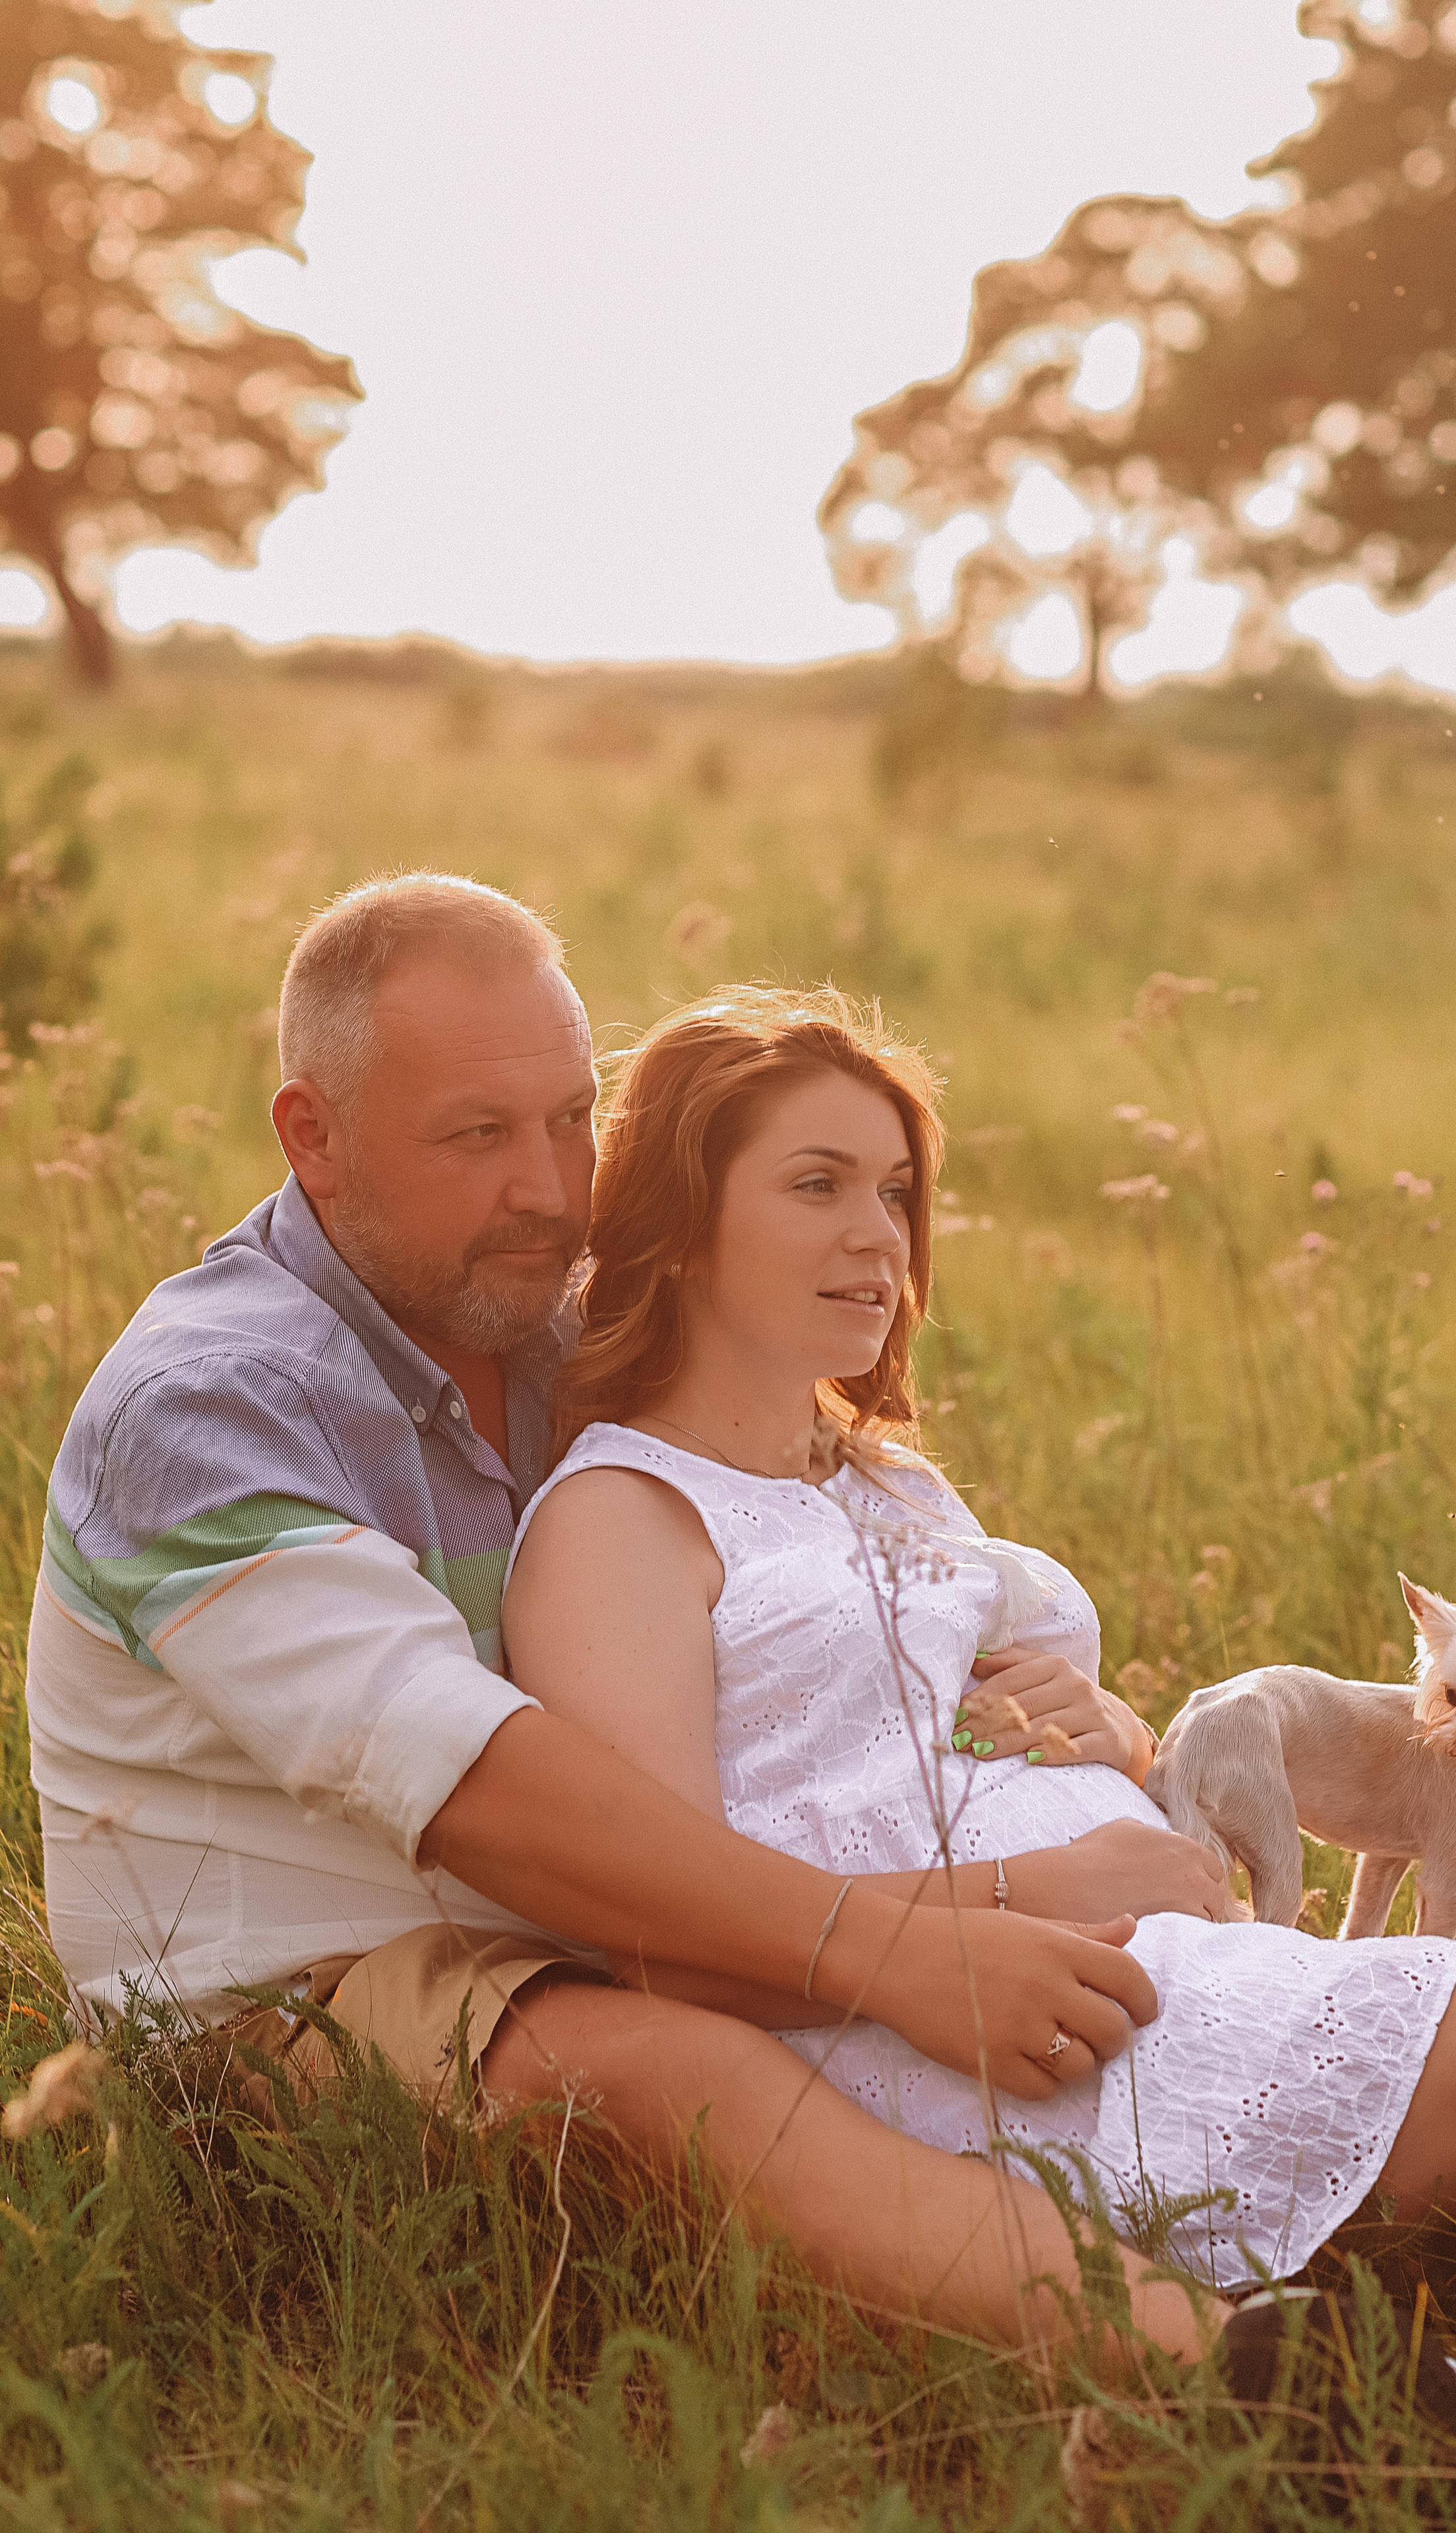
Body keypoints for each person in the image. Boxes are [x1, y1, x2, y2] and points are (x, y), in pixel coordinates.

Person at [26, 871, 1232, 2368]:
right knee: (681, 2071)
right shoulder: (207, 1409)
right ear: (311, 1137)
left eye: (567, 1120)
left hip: (645, 1902)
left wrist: (1071, 1711)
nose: (548, 1187)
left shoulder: (546, 1310)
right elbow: (473, 1785)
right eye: (477, 1136)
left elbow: (838, 1567)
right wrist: (906, 1943)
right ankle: (1244, 2371)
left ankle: (1399, 2213)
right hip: (319, 1996)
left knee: (1124, 1989)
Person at [503, 982, 1456, 2294]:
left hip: (1161, 1957)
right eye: (816, 1186)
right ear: (675, 1227)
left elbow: (973, 1737)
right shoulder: (622, 1522)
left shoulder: (881, 1481)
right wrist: (1041, 1892)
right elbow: (661, 1936)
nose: (876, 1237)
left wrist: (1121, 1739)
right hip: (1002, 2039)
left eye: (894, 1192)